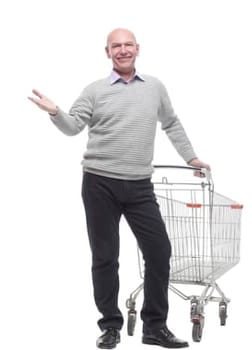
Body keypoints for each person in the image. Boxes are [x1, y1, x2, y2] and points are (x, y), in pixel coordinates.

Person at [28, 27, 200, 350]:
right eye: (115, 46)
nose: (122, 50)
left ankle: (155, 326)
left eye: (128, 45)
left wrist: (191, 157)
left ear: (138, 49)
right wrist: (55, 112)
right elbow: (73, 127)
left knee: (159, 252)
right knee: (105, 257)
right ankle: (110, 326)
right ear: (107, 52)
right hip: (99, 183)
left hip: (139, 186)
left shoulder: (155, 88)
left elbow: (172, 123)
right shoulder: (94, 90)